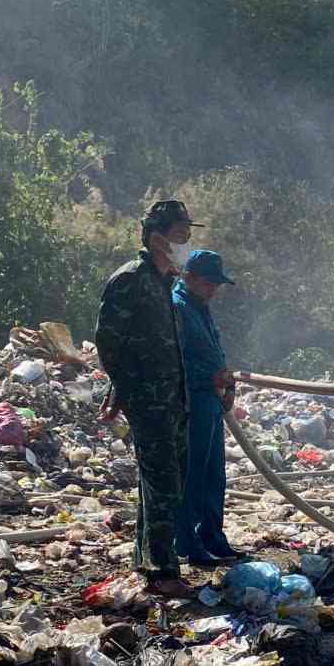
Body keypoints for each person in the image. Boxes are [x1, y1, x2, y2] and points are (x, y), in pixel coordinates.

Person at [94, 199, 201, 598]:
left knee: (166, 480)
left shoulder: (166, 281)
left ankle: (149, 557)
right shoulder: (129, 280)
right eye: (179, 236)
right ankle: (162, 573)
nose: (185, 243)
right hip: (149, 399)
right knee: (164, 482)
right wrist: (124, 388)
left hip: (174, 396)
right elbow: (109, 342)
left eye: (188, 236)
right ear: (157, 238)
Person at [172, 249, 246, 564]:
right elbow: (175, 361)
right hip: (192, 400)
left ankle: (213, 537)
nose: (213, 289)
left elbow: (214, 352)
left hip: (212, 401)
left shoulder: (200, 307)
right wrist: (210, 378)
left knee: (214, 474)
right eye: (208, 283)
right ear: (188, 277)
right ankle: (188, 543)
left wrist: (228, 386)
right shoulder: (176, 308)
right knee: (193, 476)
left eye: (216, 284)